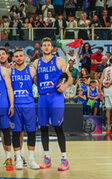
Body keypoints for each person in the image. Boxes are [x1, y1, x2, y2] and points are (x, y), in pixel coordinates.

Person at [33, 37, 73, 171]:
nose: (46, 47)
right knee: (43, 128)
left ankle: (64, 159)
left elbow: (70, 78)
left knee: (57, 126)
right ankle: (46, 157)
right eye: (44, 45)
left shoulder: (59, 61)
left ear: (52, 48)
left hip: (56, 96)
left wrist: (65, 85)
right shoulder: (36, 63)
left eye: (48, 45)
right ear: (41, 48)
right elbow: (31, 77)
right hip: (43, 97)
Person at [10, 49, 40, 170]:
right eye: (16, 56)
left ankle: (31, 160)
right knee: (16, 132)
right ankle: (18, 159)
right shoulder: (10, 71)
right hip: (15, 105)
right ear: (13, 58)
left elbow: (39, 82)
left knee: (31, 131)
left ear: (24, 57)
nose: (18, 58)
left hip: (29, 104)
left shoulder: (31, 69)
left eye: (20, 56)